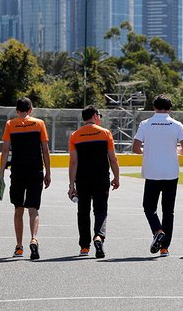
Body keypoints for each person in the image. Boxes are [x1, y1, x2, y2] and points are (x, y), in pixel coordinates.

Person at [132, 94, 183, 257]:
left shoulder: (146, 123)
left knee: (149, 207)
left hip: (152, 171)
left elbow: (136, 147)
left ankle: (157, 231)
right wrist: (177, 151)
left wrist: (147, 151)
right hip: (171, 172)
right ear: (170, 108)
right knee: (168, 211)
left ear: (154, 107)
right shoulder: (176, 124)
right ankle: (164, 248)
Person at [0, 97, 51, 260]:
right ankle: (34, 239)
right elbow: (45, 150)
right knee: (33, 209)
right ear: (31, 109)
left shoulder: (10, 125)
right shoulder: (39, 123)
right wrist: (48, 172)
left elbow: (5, 150)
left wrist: (1, 174)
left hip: (18, 171)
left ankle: (19, 247)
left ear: (17, 110)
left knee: (18, 209)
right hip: (35, 171)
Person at [68, 106, 120, 258]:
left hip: (82, 180)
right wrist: (116, 177)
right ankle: (99, 236)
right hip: (101, 178)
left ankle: (84, 247)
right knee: (100, 210)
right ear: (95, 116)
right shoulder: (105, 133)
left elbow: (73, 162)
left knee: (83, 212)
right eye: (99, 115)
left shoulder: (75, 135)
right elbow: (113, 158)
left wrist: (71, 185)